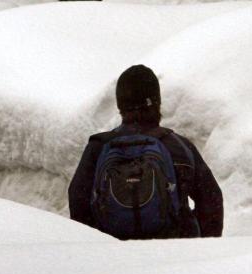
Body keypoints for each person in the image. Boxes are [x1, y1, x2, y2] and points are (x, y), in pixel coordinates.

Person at [68, 65, 223, 239]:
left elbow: (77, 200)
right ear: (157, 102)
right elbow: (211, 200)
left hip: (114, 252)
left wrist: (100, 243)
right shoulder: (178, 146)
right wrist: (198, 243)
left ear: (120, 105)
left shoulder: (98, 148)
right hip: (174, 250)